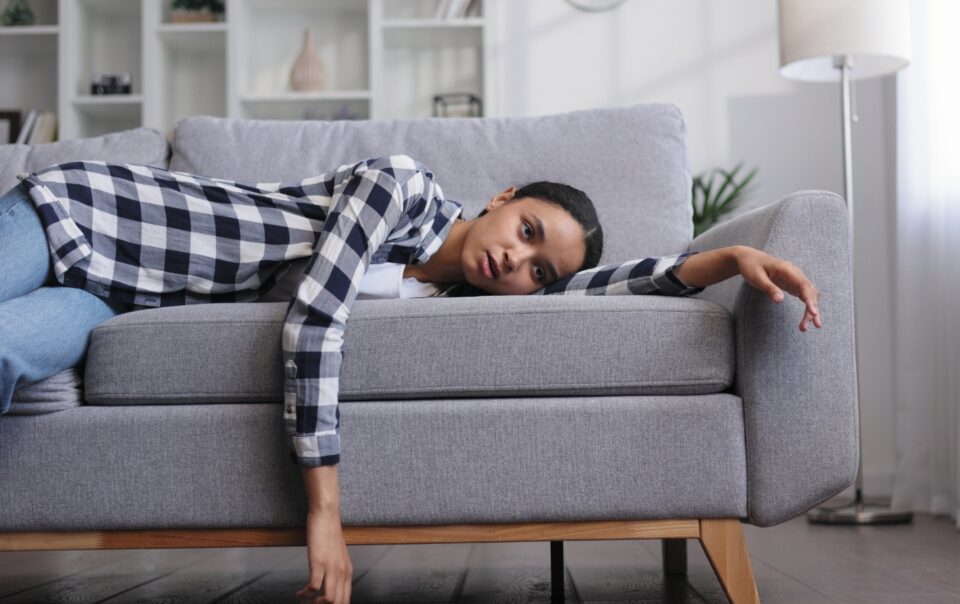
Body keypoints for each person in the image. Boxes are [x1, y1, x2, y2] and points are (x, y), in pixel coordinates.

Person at [0, 154, 821, 604]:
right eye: (526, 230)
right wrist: (326, 514)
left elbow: (604, 288)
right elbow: (315, 318)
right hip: (82, 213)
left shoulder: (449, 290)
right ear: (501, 196)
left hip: (105, 295)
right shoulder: (399, 187)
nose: (517, 261)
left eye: (537, 270)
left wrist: (723, 259)